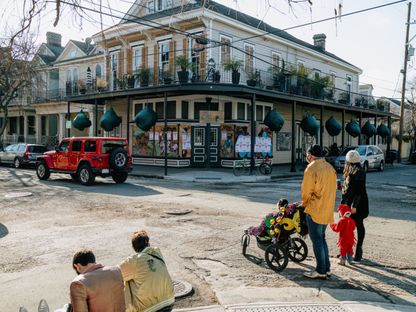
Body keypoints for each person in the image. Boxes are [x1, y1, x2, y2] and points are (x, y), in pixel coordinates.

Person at [301, 144, 337, 279]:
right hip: (327, 209)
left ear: (310, 155)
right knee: (322, 239)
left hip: (315, 209)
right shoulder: (330, 167)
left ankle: (321, 270)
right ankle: (326, 269)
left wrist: (305, 205)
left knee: (317, 241)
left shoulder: (311, 168)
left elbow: (306, 192)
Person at [119, 229, 175, 312]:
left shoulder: (133, 261)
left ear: (133, 247)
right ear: (148, 243)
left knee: (126, 280)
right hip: (169, 301)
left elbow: (115, 274)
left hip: (149, 308)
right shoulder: (157, 253)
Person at [341, 149, 369, 261]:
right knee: (348, 228)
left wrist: (354, 206)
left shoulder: (359, 172)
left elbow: (359, 191)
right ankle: (347, 250)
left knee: (358, 225)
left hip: (357, 204)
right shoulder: (350, 171)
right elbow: (350, 188)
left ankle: (359, 249)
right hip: (350, 203)